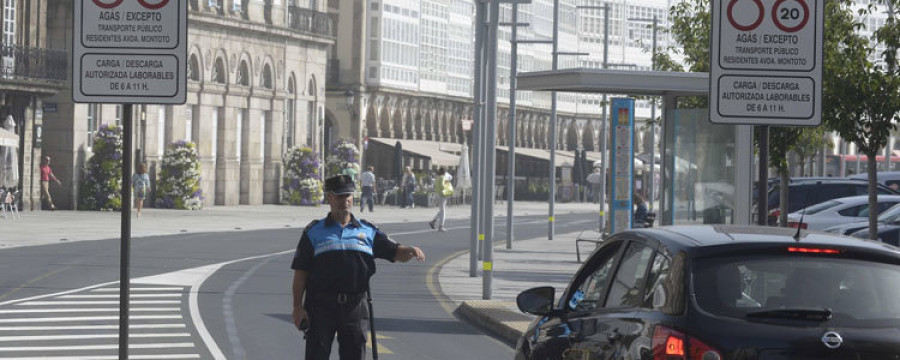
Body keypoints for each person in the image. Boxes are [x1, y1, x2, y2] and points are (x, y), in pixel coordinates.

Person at [291, 174, 425, 360]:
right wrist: (298, 308)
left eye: (348, 195)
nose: (345, 200)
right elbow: (301, 272)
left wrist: (410, 250)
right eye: (339, 196)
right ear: (329, 198)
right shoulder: (314, 232)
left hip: (354, 308)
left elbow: (394, 252)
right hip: (320, 307)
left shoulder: (367, 230)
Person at [429, 167, 453, 232]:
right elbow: (442, 186)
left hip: (437, 194)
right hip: (442, 195)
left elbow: (436, 186)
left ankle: (434, 221)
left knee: (441, 210)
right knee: (443, 211)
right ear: (444, 172)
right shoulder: (442, 177)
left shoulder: (437, 177)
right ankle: (441, 226)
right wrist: (447, 185)